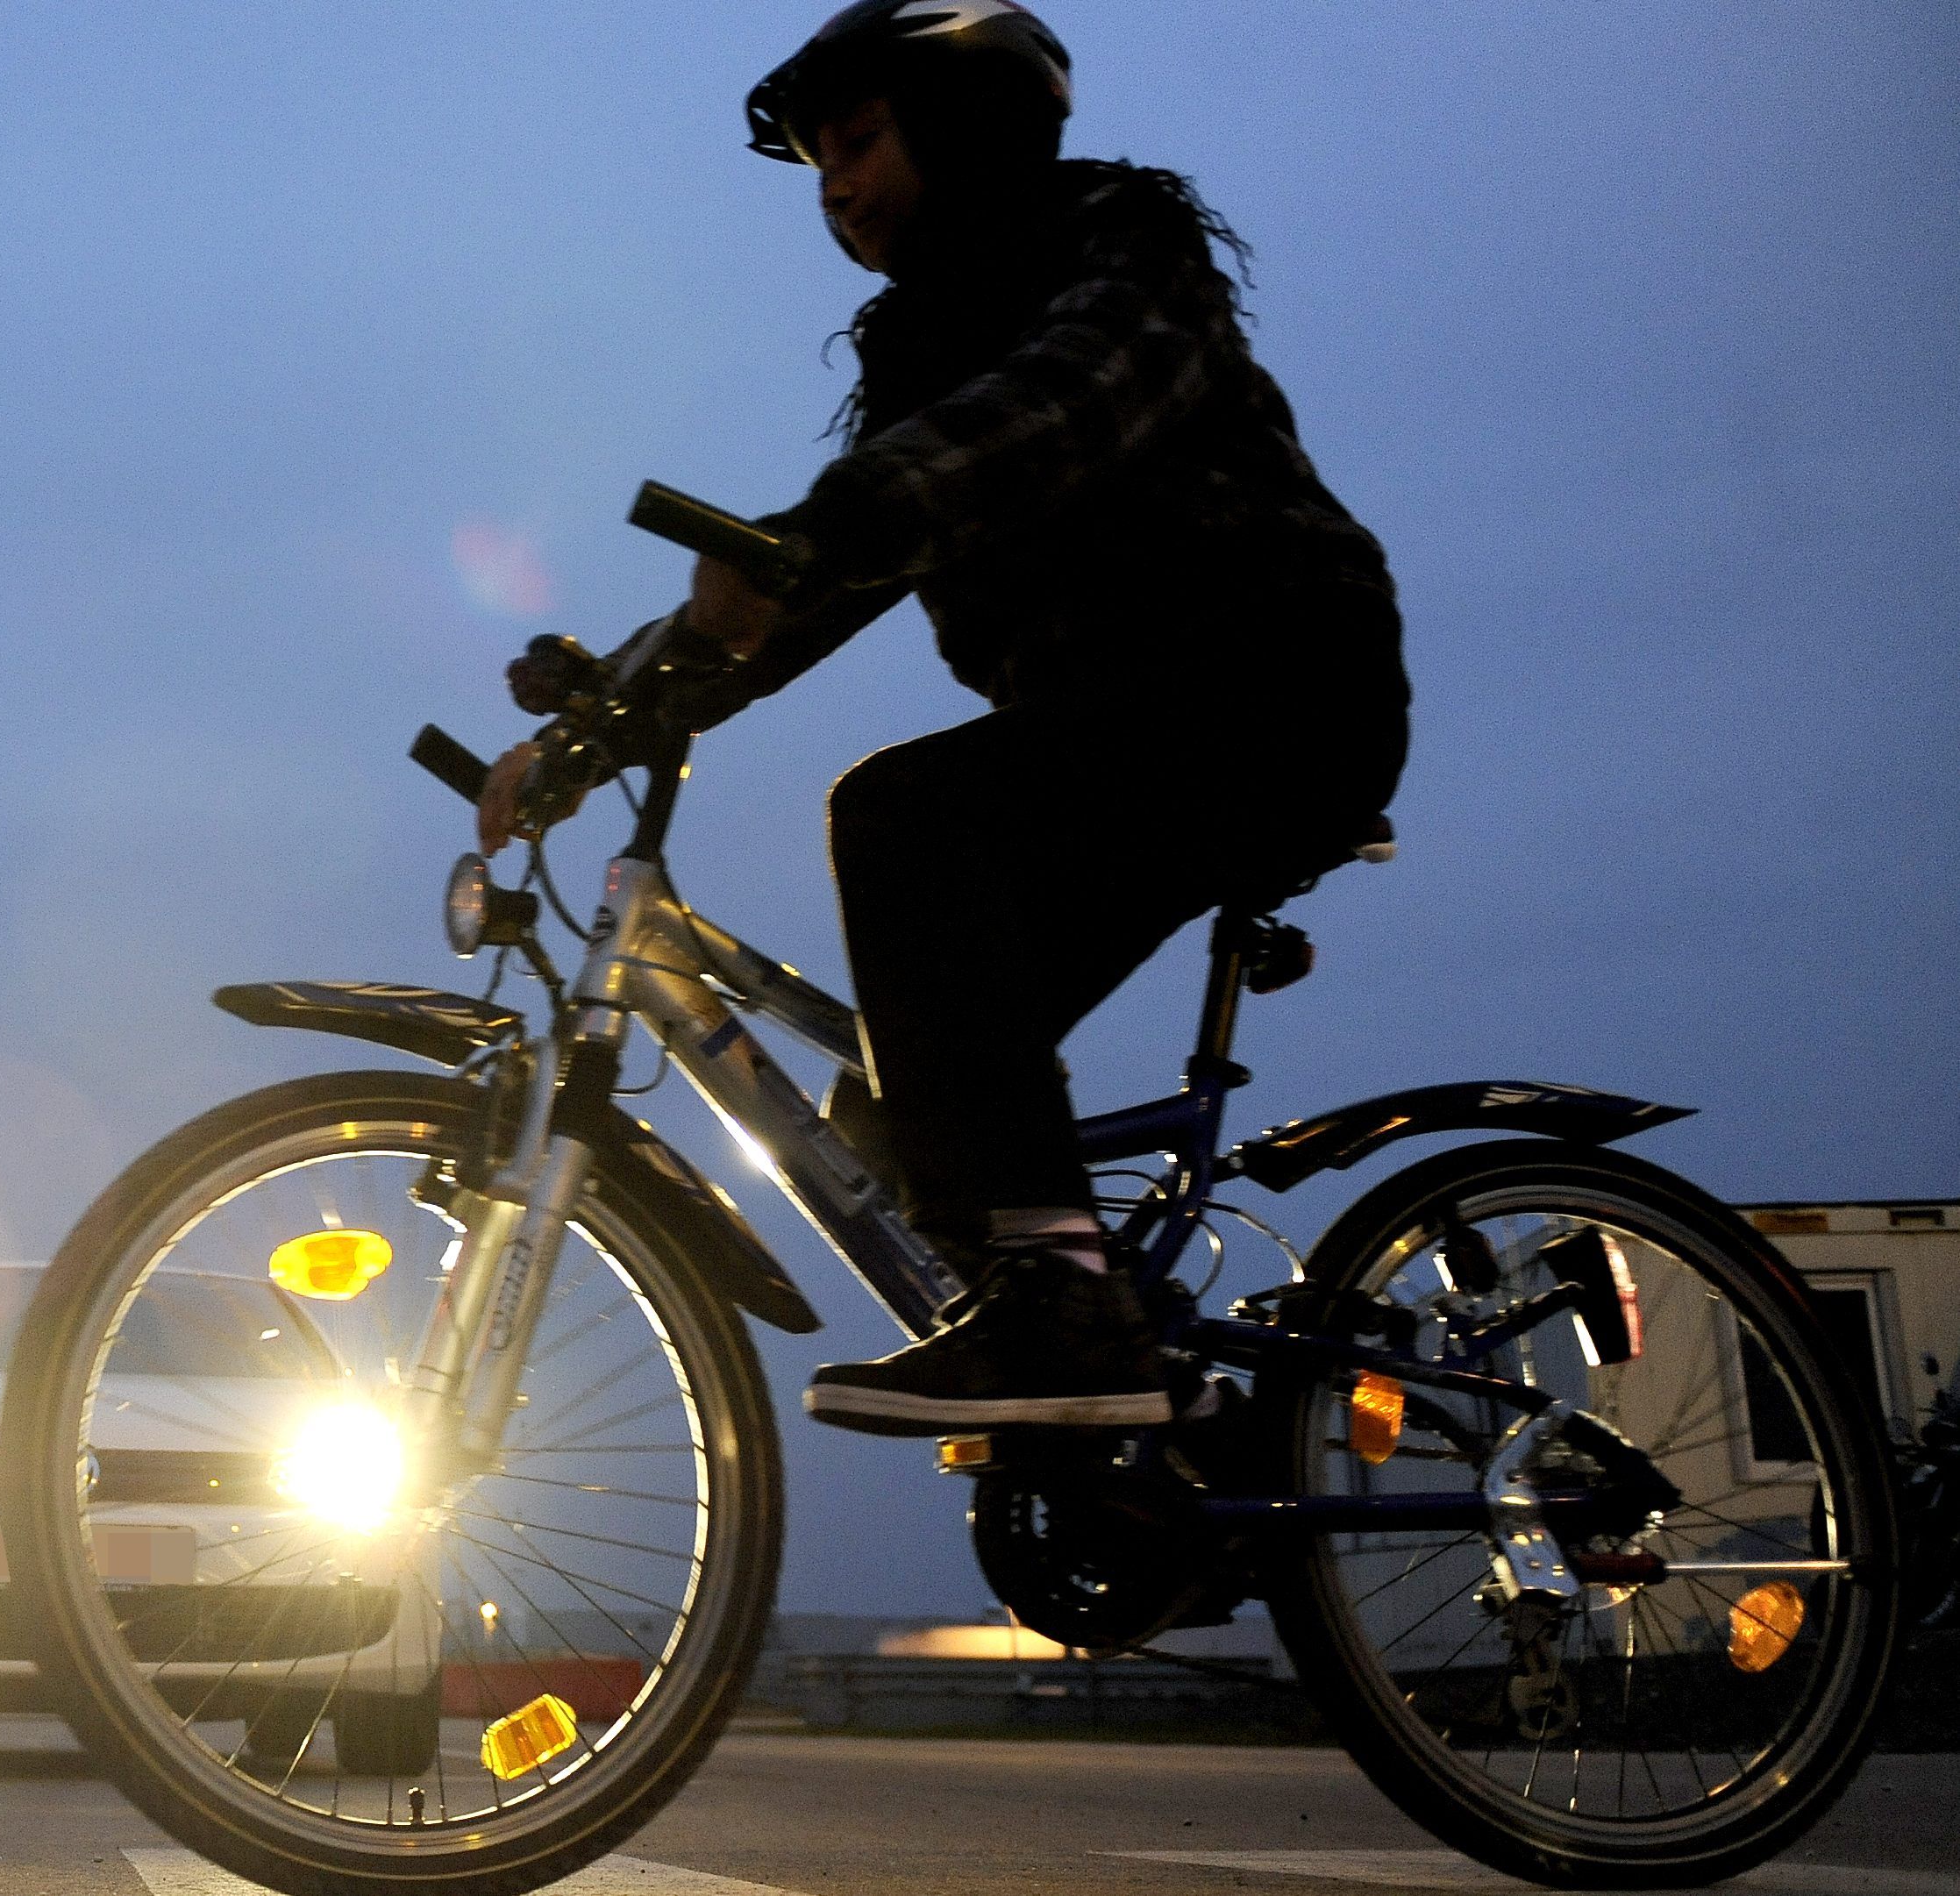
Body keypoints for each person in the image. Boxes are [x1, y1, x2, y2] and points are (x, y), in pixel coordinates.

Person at [480, 0, 1409, 1436]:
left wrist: (821, 530)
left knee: (906, 816)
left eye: (857, 141)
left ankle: (1064, 1312)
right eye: (813, 167)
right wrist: (592, 729)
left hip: (1275, 684)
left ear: (968, 121)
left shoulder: (1124, 250)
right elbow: (810, 590)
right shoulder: (923, 361)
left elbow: (1063, 405)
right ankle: (1126, 1407)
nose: (834, 186)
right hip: (1123, 727)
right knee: (910, 1117)